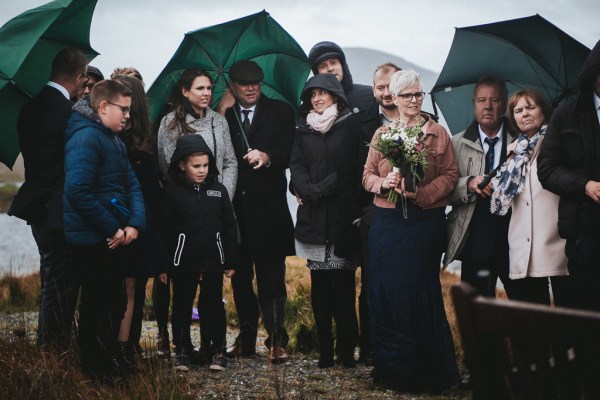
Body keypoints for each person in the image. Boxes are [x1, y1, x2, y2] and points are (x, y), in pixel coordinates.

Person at [362, 69, 459, 391]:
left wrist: (423, 193)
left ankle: (427, 372)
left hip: (423, 224)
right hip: (387, 224)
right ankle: (394, 370)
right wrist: (383, 182)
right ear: (394, 98)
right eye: (407, 95)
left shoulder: (438, 134)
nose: (414, 100)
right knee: (389, 292)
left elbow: (449, 175)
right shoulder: (382, 135)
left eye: (418, 94)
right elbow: (366, 176)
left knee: (420, 291)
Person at [63, 80, 145, 379]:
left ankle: (109, 364)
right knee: (97, 304)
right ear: (103, 106)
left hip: (114, 237)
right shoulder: (86, 138)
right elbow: (77, 190)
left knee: (115, 301)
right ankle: (96, 373)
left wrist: (134, 224)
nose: (127, 116)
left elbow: (132, 185)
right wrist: (113, 228)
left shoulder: (114, 140)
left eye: (130, 110)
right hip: (92, 240)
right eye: (123, 109)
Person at [8, 47, 88, 349]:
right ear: (80, 77)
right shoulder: (68, 113)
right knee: (62, 285)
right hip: (60, 209)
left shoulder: (30, 107)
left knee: (51, 279)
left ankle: (47, 345)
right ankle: (53, 349)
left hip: (37, 206)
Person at [216, 59, 295, 362]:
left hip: (270, 212)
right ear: (232, 86)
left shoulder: (281, 111)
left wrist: (268, 155)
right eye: (243, 83)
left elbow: (292, 149)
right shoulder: (224, 115)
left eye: (255, 82)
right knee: (240, 280)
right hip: (235, 213)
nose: (250, 88)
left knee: (272, 280)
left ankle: (277, 340)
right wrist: (221, 112)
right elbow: (213, 153)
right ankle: (246, 337)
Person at [290, 74, 359, 368]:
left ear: (335, 96)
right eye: (312, 94)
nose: (317, 99)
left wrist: (318, 190)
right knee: (319, 290)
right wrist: (305, 189)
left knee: (343, 290)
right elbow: (297, 166)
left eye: (323, 93)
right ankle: (325, 353)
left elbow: (350, 169)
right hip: (314, 221)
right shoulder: (302, 127)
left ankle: (346, 351)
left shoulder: (348, 124)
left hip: (342, 218)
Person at [336, 62, 401, 365]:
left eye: (391, 86)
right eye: (380, 87)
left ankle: (402, 343)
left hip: (409, 217)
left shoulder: (423, 122)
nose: (386, 93)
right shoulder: (359, 124)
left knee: (403, 282)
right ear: (373, 90)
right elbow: (347, 174)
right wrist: (357, 217)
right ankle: (371, 347)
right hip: (371, 215)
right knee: (371, 285)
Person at [164, 134, 238, 372]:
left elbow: (229, 226)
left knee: (213, 305)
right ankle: (182, 351)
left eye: (206, 165)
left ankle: (216, 351)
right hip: (182, 262)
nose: (202, 170)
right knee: (182, 305)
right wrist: (163, 265)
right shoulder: (172, 193)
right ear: (182, 164)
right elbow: (163, 229)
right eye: (196, 166)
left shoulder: (219, 191)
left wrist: (231, 258)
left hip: (213, 262)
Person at [489, 89, 569, 305]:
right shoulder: (514, 152)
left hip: (557, 239)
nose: (524, 114)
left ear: (544, 110)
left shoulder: (560, 143)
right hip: (523, 244)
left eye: (530, 107)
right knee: (534, 318)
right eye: (518, 110)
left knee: (567, 313)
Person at [538, 39, 600, 311]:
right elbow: (547, 169)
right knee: (586, 319)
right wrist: (585, 185)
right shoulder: (566, 114)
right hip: (584, 236)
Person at [113, 74, 169, 363]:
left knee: (134, 286)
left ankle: (128, 348)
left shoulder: (144, 143)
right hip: (120, 225)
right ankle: (122, 349)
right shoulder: (113, 138)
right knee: (126, 289)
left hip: (141, 225)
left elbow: (150, 192)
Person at [444, 75, 516, 296]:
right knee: (477, 314)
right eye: (481, 100)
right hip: (475, 241)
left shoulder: (521, 140)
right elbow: (445, 190)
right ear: (473, 104)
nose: (488, 106)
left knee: (526, 306)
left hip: (515, 238)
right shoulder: (456, 143)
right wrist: (469, 184)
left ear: (504, 104)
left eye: (494, 100)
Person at [158, 68, 237, 199]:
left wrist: (223, 196)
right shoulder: (170, 122)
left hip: (220, 201)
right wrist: (195, 198)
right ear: (185, 91)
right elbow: (168, 166)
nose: (206, 93)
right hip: (188, 202)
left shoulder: (219, 121)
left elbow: (230, 162)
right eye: (200, 88)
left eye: (209, 88)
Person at [308, 41, 375, 114]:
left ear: (342, 65)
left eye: (333, 63)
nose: (330, 68)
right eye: (322, 66)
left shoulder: (371, 95)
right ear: (317, 73)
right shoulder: (311, 106)